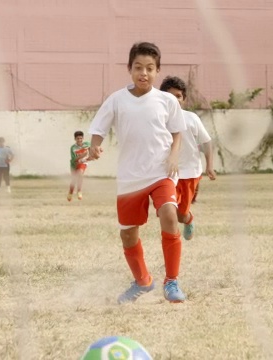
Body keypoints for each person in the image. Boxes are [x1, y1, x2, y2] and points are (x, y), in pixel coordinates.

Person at [89, 42, 187, 303]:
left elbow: (177, 131)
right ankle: (143, 281)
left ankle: (172, 281)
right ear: (129, 69)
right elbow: (98, 128)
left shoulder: (166, 100)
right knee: (128, 233)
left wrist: (174, 155)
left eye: (150, 68)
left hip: (161, 171)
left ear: (158, 71)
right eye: (138, 68)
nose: (144, 73)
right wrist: (95, 146)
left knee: (169, 214)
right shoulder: (117, 100)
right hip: (131, 177)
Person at [159, 76, 216, 240]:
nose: (175, 99)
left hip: (190, 173)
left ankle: (188, 218)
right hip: (167, 173)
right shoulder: (159, 120)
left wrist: (209, 166)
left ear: (183, 99)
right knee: (167, 212)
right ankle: (172, 246)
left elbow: (207, 142)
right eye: (170, 95)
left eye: (178, 95)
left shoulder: (191, 118)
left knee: (180, 215)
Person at [68, 131, 90, 201]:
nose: (80, 140)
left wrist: (96, 152)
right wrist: (82, 156)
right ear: (75, 139)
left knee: (80, 174)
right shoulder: (73, 148)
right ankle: (70, 192)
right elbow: (74, 159)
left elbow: (92, 149)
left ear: (83, 138)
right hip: (74, 164)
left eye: (81, 138)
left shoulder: (87, 144)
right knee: (73, 180)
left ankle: (79, 191)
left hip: (83, 163)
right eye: (78, 138)